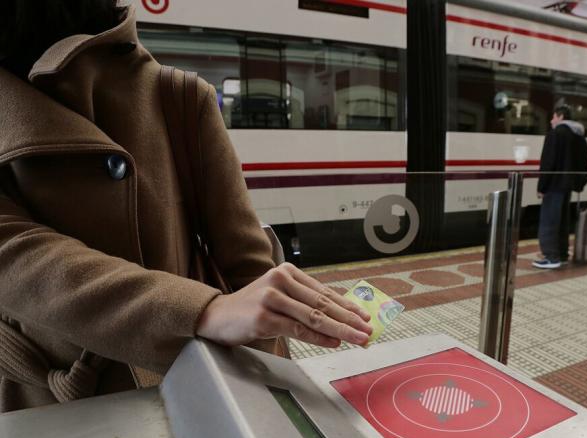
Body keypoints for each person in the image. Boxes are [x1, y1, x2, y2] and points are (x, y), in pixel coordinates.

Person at [0, 1, 372, 413]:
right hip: (37, 408)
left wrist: (278, 414)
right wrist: (202, 310)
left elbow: (248, 266)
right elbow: (17, 254)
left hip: (180, 391)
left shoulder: (177, 97)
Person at [533, 105, 587, 269]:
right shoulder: (578, 136)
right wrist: (579, 184)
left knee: (549, 221)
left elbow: (548, 162)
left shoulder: (555, 134)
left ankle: (551, 257)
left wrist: (542, 186)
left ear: (560, 116)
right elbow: (585, 163)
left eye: (553, 117)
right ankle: (563, 254)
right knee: (562, 221)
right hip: (568, 186)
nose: (551, 121)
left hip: (553, 184)